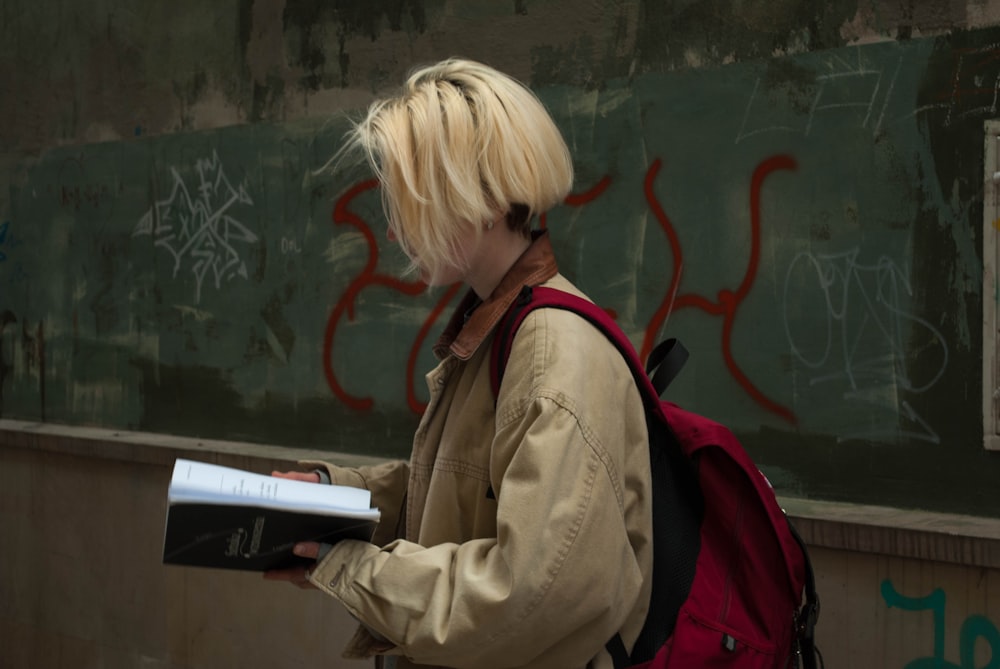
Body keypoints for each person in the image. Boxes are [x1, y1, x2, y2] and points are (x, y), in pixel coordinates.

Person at [266, 57, 653, 669]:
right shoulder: (502, 326)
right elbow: (463, 491)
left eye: (409, 202)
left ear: (481, 199)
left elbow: (527, 593)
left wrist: (347, 565)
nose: (393, 233)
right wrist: (327, 496)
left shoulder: (553, 352)